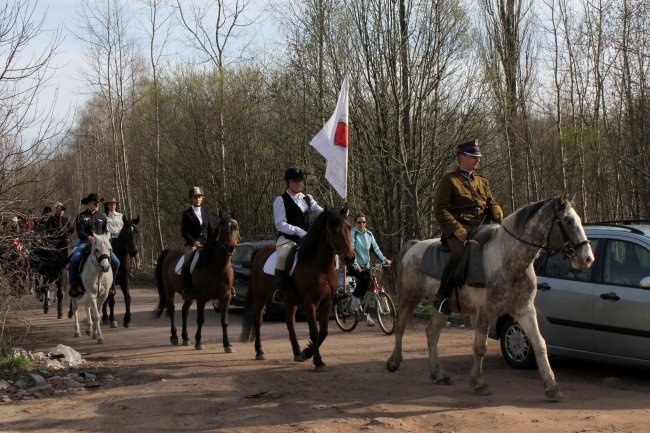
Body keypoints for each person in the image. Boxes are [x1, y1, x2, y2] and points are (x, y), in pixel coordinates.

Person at [433, 139, 504, 315]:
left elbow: (490, 202)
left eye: (478, 157)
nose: (478, 160)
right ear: (462, 157)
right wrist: (457, 230)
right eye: (474, 157)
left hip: (482, 226)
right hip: (460, 229)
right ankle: (442, 295)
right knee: (459, 253)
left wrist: (496, 212)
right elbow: (440, 210)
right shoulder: (449, 181)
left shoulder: (482, 181)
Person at [272, 166, 323, 303]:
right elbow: (280, 224)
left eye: (300, 180)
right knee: (282, 256)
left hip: (307, 238)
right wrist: (299, 231)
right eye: (295, 181)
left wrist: (336, 214)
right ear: (288, 182)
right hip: (288, 238)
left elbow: (320, 212)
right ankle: (280, 290)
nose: (298, 183)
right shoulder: (281, 200)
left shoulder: (307, 198)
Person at [67, 193, 120, 298]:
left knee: (116, 261)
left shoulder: (102, 217)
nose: (97, 205)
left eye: (98, 203)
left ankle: (111, 285)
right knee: (74, 260)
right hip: (85, 242)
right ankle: (74, 286)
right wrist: (88, 238)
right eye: (95, 203)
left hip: (100, 245)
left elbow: (105, 230)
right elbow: (80, 231)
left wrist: (106, 238)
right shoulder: (81, 216)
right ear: (89, 203)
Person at [348, 212, 392, 326]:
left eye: (363, 222)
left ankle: (366, 315)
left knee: (368, 288)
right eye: (359, 222)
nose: (361, 224)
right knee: (363, 280)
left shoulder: (369, 234)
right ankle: (354, 300)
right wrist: (355, 264)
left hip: (366, 265)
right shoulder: (353, 234)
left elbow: (376, 249)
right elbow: (351, 250)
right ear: (355, 223)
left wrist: (384, 259)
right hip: (354, 265)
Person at [180, 186, 214, 299]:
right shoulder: (187, 214)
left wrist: (211, 243)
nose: (198, 199)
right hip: (193, 245)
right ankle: (186, 289)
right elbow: (184, 232)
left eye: (200, 197)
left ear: (202, 198)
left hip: (206, 244)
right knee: (186, 264)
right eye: (195, 197)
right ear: (191, 199)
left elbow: (211, 230)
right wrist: (194, 242)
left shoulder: (207, 213)